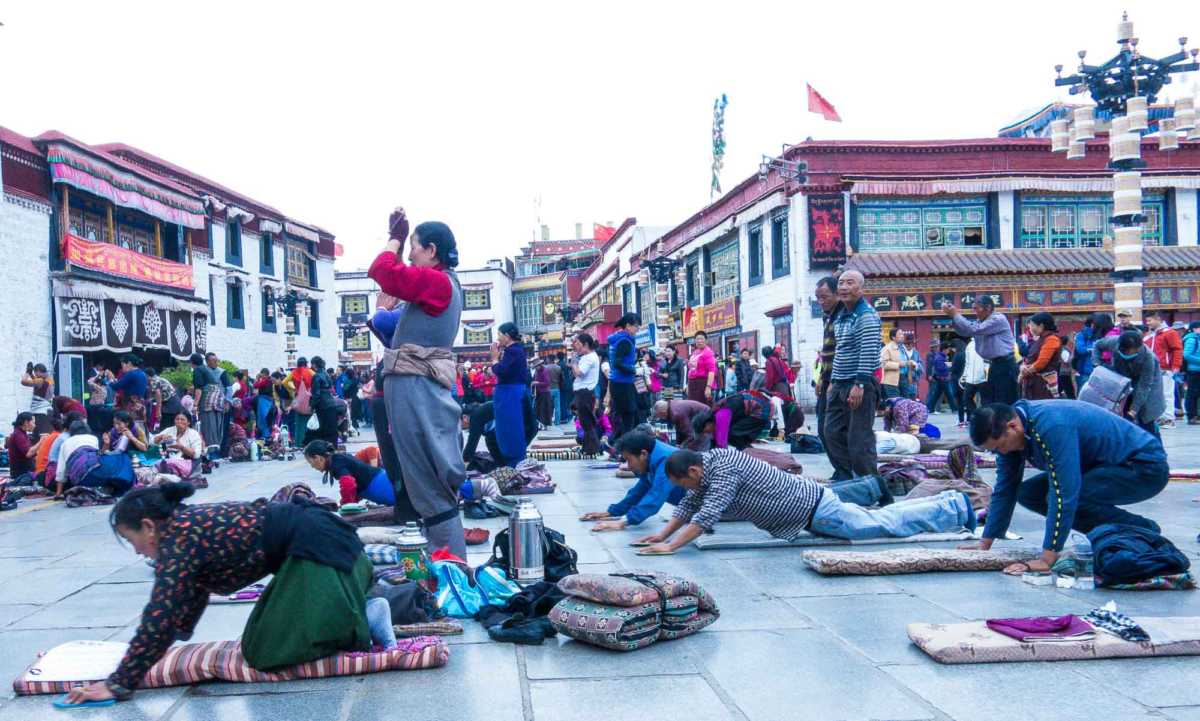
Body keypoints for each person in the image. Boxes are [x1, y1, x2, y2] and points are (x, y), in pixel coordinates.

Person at [62, 482, 374, 705]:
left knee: (265, 651)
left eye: (133, 541)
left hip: (327, 559)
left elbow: (160, 617)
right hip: (332, 556)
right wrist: (172, 641)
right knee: (259, 636)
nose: (137, 551)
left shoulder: (179, 540)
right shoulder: (185, 527)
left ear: (149, 526)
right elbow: (189, 597)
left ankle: (363, 617)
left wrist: (118, 683)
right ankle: (356, 609)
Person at [631, 448, 974, 554]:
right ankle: (950, 503)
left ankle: (955, 508)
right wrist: (662, 535)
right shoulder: (713, 463)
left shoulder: (723, 472)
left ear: (693, 468)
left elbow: (705, 516)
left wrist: (671, 546)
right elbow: (691, 503)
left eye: (686, 480)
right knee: (884, 516)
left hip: (816, 512)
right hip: (815, 505)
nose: (689, 487)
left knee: (885, 525)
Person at [964, 401, 1169, 575]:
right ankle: (1113, 534)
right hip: (1100, 467)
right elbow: (1005, 488)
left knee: (1071, 495)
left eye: (1000, 446)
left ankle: (1141, 531)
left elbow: (1064, 491)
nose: (1001, 452)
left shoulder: (1052, 426)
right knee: (1028, 493)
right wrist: (986, 542)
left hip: (1142, 467)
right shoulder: (1017, 431)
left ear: (1012, 426)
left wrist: (1047, 557)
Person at [368, 208, 468, 557]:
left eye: (414, 248)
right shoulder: (436, 288)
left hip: (418, 391)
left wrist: (393, 238)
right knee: (423, 480)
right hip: (414, 388)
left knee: (428, 481)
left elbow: (382, 270)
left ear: (432, 251)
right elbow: (389, 328)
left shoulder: (439, 282)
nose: (410, 255)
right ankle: (443, 561)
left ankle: (452, 567)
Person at [824, 270, 882, 480]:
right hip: (839, 384)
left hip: (859, 384)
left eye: (850, 283)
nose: (844, 287)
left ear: (861, 288)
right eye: (841, 283)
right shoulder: (840, 316)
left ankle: (876, 488)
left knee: (859, 440)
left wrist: (860, 384)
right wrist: (832, 380)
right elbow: (841, 351)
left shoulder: (865, 315)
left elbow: (867, 351)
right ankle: (846, 476)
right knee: (830, 432)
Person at [581, 431, 684, 532]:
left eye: (629, 460)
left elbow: (656, 496)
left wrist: (623, 522)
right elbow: (639, 491)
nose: (629, 466)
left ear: (643, 454)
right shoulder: (652, 456)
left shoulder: (666, 460)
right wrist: (612, 512)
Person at [943, 295, 1018, 405]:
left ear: (987, 308)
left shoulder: (998, 319)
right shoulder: (980, 321)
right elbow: (965, 332)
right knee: (993, 400)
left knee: (1005, 399)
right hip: (994, 364)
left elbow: (973, 329)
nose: (975, 312)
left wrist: (956, 314)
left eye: (977, 308)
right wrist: (953, 317)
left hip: (1006, 364)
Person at [1092, 329, 1164, 438]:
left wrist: (1133, 411)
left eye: (1130, 351)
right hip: (1123, 382)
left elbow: (1144, 386)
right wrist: (1097, 363)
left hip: (1148, 386)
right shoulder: (1114, 342)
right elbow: (1097, 345)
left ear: (1138, 348)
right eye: (1124, 351)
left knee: (1146, 418)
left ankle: (1155, 450)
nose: (1126, 353)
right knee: (1122, 417)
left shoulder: (1149, 358)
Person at [490, 322, 532, 466]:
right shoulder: (514, 350)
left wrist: (494, 359)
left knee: (510, 427)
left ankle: (514, 461)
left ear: (507, 336)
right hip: (511, 391)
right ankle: (514, 459)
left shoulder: (513, 351)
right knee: (509, 426)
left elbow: (500, 370)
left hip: (510, 393)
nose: (498, 338)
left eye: (499, 334)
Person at [304, 439, 396, 506]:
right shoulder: (338, 458)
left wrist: (346, 506)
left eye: (311, 463)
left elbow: (348, 484)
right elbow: (354, 487)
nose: (312, 466)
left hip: (382, 486)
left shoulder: (337, 462)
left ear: (318, 458)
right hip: (383, 481)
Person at [56, 420, 134, 498]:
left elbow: (61, 471)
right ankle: (125, 487)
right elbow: (97, 458)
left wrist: (58, 493)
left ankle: (103, 487)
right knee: (123, 457)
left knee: (101, 470)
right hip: (95, 471)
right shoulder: (92, 438)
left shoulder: (65, 443)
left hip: (79, 480)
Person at [689, 391, 779, 450]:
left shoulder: (721, 416)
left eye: (705, 431)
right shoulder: (714, 415)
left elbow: (721, 443)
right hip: (758, 405)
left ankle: (748, 454)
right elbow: (715, 440)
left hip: (762, 409)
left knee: (733, 434)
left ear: (707, 424)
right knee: (735, 435)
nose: (707, 433)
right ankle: (747, 453)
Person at [813, 276, 842, 443]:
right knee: (823, 427)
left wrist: (833, 380)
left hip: (839, 380)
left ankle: (845, 468)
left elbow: (841, 351)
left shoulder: (842, 316)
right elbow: (827, 351)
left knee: (831, 429)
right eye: (818, 297)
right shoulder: (827, 316)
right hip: (827, 378)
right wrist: (821, 379)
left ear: (837, 294)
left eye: (824, 297)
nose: (820, 301)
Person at [1143, 309, 1183, 428]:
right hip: (1153, 369)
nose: (1147, 323)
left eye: (1149, 320)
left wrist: (1176, 366)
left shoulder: (1170, 333)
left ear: (1158, 319)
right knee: (1155, 395)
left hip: (1166, 369)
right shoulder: (1150, 335)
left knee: (1167, 394)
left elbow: (1177, 350)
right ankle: (1160, 418)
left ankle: (1169, 419)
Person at [569, 333, 602, 456]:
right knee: (585, 421)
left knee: (587, 422)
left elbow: (579, 372)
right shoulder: (588, 357)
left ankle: (593, 448)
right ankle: (588, 448)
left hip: (585, 392)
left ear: (586, 344)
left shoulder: (589, 358)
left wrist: (573, 362)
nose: (575, 346)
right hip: (583, 392)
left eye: (577, 343)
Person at [1017, 312, 1062, 400]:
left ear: (1041, 326)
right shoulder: (1040, 339)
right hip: (1033, 382)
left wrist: (1023, 373)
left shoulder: (1052, 339)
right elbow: (1029, 358)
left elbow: (1041, 363)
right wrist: (1022, 367)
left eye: (1032, 325)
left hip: (1043, 383)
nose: (1030, 328)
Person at [151, 412, 204, 478]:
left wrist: (181, 447)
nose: (179, 421)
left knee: (168, 464)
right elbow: (152, 442)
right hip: (170, 458)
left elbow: (196, 455)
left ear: (188, 423)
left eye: (182, 420)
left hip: (187, 461)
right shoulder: (169, 430)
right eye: (177, 419)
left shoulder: (194, 434)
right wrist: (161, 436)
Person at [189, 353, 223, 452]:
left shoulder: (197, 370)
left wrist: (195, 405)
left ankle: (211, 450)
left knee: (207, 424)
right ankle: (216, 448)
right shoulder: (206, 369)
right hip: (217, 400)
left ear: (192, 363)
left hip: (208, 401)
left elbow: (199, 389)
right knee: (215, 424)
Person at [306, 357, 339, 445]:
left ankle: (325, 447)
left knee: (323, 427)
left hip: (322, 405)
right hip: (331, 402)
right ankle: (333, 446)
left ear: (314, 364)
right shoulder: (326, 374)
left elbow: (316, 394)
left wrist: (312, 406)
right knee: (331, 427)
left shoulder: (316, 376)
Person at [112, 354, 149, 422]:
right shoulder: (143, 374)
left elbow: (116, 386)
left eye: (122, 365)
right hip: (140, 405)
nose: (122, 367)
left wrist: (110, 379)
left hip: (131, 406)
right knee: (139, 425)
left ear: (129, 363)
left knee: (130, 425)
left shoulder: (131, 374)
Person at [21, 362, 54, 436]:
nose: (35, 375)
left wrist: (27, 372)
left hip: (40, 412)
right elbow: (36, 382)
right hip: (47, 411)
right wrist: (31, 374)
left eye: (35, 373)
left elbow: (23, 382)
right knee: (46, 435)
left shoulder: (40, 381)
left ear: (38, 371)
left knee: (39, 436)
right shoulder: (49, 379)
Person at [924, 341, 957, 413]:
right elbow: (940, 368)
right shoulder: (938, 357)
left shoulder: (942, 356)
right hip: (943, 379)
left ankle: (930, 408)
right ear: (944, 349)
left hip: (940, 379)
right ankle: (954, 409)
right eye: (948, 349)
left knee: (936, 395)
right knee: (949, 394)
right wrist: (949, 368)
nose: (949, 351)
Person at [686, 331, 717, 404]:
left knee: (703, 407)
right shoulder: (695, 352)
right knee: (693, 406)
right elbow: (691, 370)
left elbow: (711, 371)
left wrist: (708, 387)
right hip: (692, 383)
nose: (699, 341)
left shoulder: (708, 353)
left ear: (706, 341)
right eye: (697, 339)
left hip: (702, 383)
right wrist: (688, 385)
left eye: (701, 339)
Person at [6, 412, 37, 479]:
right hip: (21, 474)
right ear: (26, 422)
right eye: (33, 422)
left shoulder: (22, 433)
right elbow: (28, 453)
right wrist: (41, 441)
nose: (35, 425)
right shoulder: (18, 435)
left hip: (24, 472)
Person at [879, 327, 905, 400]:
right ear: (893, 337)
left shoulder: (903, 348)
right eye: (900, 334)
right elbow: (882, 363)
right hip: (891, 381)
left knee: (904, 403)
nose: (902, 335)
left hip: (904, 380)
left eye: (902, 333)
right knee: (895, 403)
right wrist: (898, 365)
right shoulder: (887, 348)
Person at [1184, 320, 1200, 425]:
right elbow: (1186, 355)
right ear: (1194, 329)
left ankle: (1196, 415)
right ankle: (1191, 416)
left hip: (1197, 370)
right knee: (1192, 394)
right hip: (1194, 371)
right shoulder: (1191, 339)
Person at [900, 334, 923, 400]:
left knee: (912, 402)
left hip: (913, 384)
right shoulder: (901, 352)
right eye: (907, 343)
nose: (909, 345)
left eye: (911, 343)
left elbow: (922, 369)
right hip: (903, 383)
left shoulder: (916, 353)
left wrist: (916, 365)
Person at [533, 360, 554, 427]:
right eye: (535, 367)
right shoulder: (537, 371)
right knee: (538, 409)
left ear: (539, 365)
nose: (536, 368)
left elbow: (547, 383)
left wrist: (538, 383)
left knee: (543, 409)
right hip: (539, 392)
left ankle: (544, 424)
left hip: (545, 392)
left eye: (536, 366)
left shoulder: (544, 371)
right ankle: (540, 424)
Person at [543, 355, 563, 425]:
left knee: (548, 406)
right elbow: (561, 379)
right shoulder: (558, 368)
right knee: (557, 406)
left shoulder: (545, 368)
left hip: (548, 389)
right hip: (556, 388)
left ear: (548, 359)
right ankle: (557, 422)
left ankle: (549, 421)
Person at [556, 352, 574, 423]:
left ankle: (564, 417)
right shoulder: (566, 365)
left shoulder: (558, 365)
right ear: (563, 357)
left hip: (562, 386)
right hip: (569, 384)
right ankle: (569, 415)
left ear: (557, 357)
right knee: (567, 401)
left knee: (562, 401)